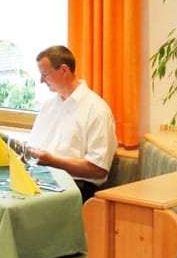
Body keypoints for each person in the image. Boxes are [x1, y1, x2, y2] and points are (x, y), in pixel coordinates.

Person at [27, 45, 116, 196]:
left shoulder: (96, 109)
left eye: (45, 74)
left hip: (75, 187)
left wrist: (53, 161)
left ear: (64, 70)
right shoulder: (48, 106)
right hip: (41, 180)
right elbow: (34, 147)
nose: (41, 81)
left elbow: (98, 169)